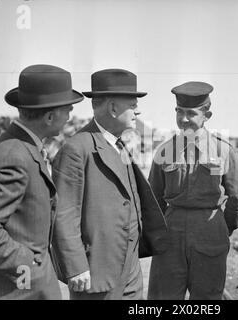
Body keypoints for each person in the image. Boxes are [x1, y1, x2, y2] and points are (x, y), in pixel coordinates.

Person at [51, 69, 168, 300]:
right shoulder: (77, 148)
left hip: (130, 267)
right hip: (98, 272)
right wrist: (76, 267)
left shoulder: (118, 143)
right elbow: (63, 215)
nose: (138, 110)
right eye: (132, 105)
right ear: (113, 108)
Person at [0, 64, 83, 299]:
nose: (70, 117)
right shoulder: (14, 155)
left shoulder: (22, 147)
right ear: (49, 116)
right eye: (68, 110)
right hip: (19, 289)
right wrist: (30, 267)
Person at [147, 81, 238, 299]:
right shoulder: (165, 150)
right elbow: (153, 198)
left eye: (191, 113)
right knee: (163, 297)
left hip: (209, 232)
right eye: (179, 112)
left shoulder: (223, 150)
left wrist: (222, 227)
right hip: (171, 235)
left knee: (207, 298)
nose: (183, 119)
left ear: (206, 115)